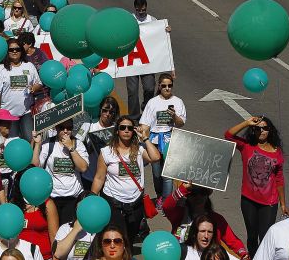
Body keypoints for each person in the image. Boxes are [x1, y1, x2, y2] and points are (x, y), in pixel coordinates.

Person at [90, 116, 161, 244]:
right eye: (122, 128)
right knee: (116, 238)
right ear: (117, 131)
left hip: (136, 204)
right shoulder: (106, 152)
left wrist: (145, 138)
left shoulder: (139, 149)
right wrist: (92, 199)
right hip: (114, 203)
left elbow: (155, 157)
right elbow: (99, 178)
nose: (126, 130)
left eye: (129, 128)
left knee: (130, 239)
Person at [225, 116, 287, 257]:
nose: (262, 131)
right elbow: (228, 135)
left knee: (265, 237)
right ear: (254, 130)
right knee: (252, 237)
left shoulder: (277, 153)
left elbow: (279, 180)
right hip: (248, 200)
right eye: (258, 128)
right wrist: (246, 122)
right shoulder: (246, 146)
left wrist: (283, 204)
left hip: (269, 203)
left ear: (270, 130)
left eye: (265, 128)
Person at [163, 185, 247, 260]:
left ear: (207, 196)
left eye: (202, 193)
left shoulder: (216, 219)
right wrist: (182, 189)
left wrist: (243, 254)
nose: (198, 197)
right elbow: (166, 207)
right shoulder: (179, 215)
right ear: (188, 196)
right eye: (194, 193)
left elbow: (233, 240)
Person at [139, 73, 185, 207]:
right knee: (157, 173)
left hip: (169, 138)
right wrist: (142, 137)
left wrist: (174, 116)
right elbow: (145, 123)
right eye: (164, 85)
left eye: (170, 86)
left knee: (167, 174)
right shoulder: (152, 102)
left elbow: (181, 123)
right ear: (159, 86)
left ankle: (166, 201)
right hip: (153, 140)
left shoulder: (178, 101)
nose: (167, 88)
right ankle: (160, 195)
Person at [32, 119, 88, 227]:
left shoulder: (78, 144)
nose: (65, 131)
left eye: (69, 128)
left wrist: (71, 148)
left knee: (68, 232)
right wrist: (38, 144)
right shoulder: (49, 144)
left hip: (73, 198)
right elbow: (35, 167)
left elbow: (83, 168)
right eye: (62, 128)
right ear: (56, 128)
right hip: (52, 198)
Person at [0, 38, 40, 141]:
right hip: (7, 114)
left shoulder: (29, 66)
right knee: (10, 141)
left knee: (30, 139)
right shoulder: (1, 69)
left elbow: (38, 83)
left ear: (21, 51)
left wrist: (34, 88)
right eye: (11, 49)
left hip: (25, 112)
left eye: (17, 49)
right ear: (7, 52)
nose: (14, 51)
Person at [9, 165, 59, 259]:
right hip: (19, 256)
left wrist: (55, 258)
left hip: (43, 256)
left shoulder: (48, 204)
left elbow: (54, 236)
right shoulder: (14, 204)